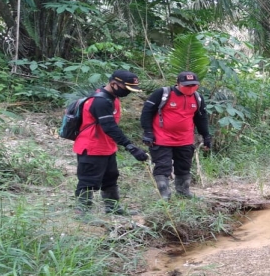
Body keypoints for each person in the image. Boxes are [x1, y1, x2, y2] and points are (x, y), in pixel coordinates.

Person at [73, 69, 150, 220]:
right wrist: (130, 146)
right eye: (126, 89)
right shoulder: (100, 101)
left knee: (110, 178)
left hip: (107, 147)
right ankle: (82, 213)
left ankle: (112, 208)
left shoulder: (112, 98)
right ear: (114, 84)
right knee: (88, 180)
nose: (127, 93)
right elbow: (109, 126)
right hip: (91, 147)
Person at [140, 71, 212, 200]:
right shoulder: (162, 94)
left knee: (184, 167)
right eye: (186, 86)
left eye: (193, 86)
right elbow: (146, 112)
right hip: (161, 139)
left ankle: (183, 192)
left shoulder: (197, 98)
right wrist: (148, 132)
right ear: (178, 84)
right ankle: (164, 195)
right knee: (163, 167)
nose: (190, 88)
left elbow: (201, 118)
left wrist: (206, 136)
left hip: (185, 140)